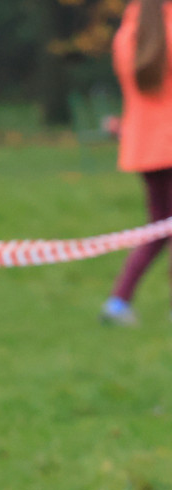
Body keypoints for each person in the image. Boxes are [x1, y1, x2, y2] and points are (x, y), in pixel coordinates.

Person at [100, 0, 172, 325]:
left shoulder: (126, 34)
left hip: (145, 148)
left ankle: (118, 302)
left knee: (158, 227)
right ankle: (118, 301)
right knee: (161, 227)